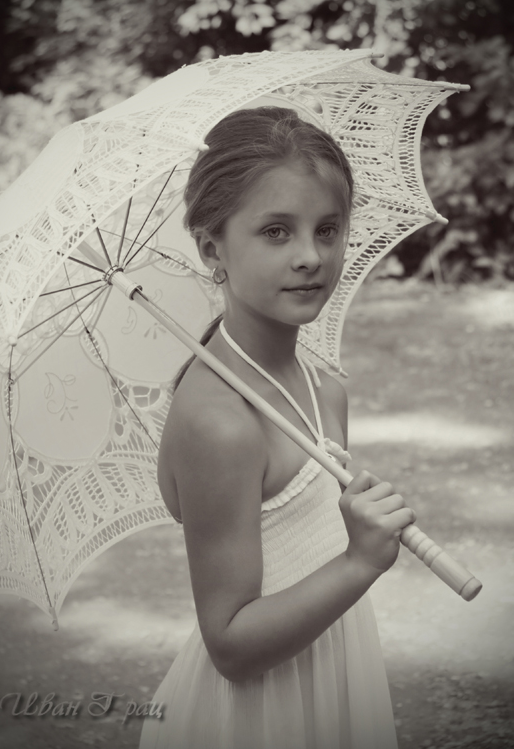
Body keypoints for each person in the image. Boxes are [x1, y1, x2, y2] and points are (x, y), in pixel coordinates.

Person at [140, 106, 415, 749]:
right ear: (212, 248)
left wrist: (355, 531)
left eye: (328, 229)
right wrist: (359, 562)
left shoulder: (325, 389)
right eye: (275, 232)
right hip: (259, 716)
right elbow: (231, 646)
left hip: (331, 671)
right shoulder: (220, 424)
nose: (310, 256)